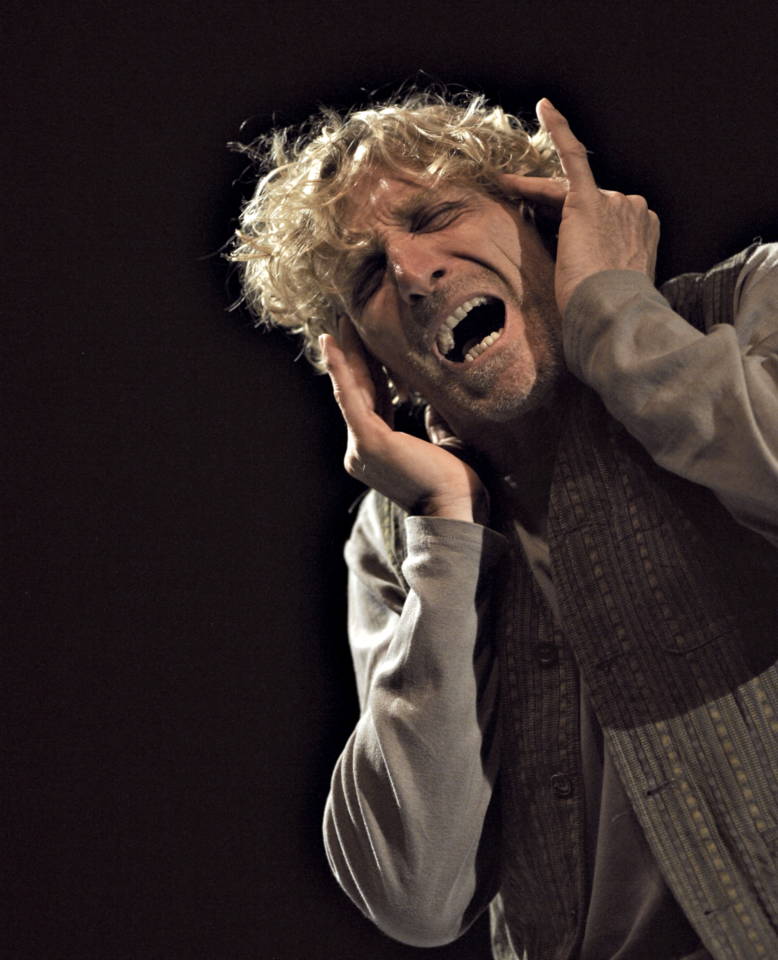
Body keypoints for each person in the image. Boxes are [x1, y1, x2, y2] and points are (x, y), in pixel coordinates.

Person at [230, 90, 778, 960]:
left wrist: (614, 312)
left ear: (540, 215)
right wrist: (445, 531)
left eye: (433, 215)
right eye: (369, 276)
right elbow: (416, 896)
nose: (414, 274)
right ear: (370, 364)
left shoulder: (744, 304)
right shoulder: (396, 537)